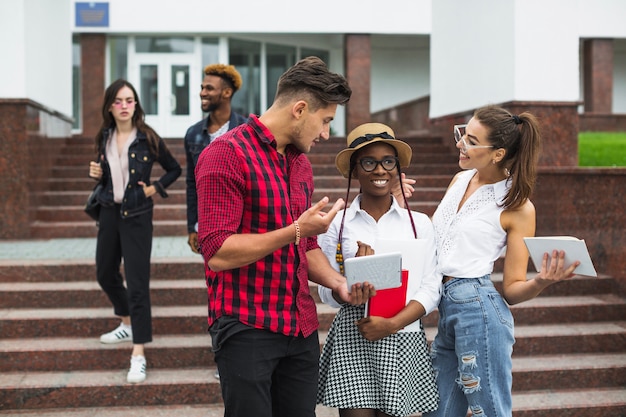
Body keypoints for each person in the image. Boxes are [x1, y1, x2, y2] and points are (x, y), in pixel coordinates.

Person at [195, 56, 358, 417]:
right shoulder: (225, 154)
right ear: (300, 109)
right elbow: (218, 251)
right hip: (246, 324)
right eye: (326, 120)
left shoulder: (300, 163)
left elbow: (307, 246)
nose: (326, 134)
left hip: (299, 327)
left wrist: (338, 282)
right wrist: (298, 229)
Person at [424, 105, 580, 417]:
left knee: (490, 411)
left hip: (478, 312)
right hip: (444, 307)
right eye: (461, 134)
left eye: (470, 140)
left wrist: (542, 281)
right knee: (436, 411)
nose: (460, 144)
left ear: (497, 154)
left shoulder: (517, 205)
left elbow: (511, 288)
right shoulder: (459, 180)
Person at [316, 123, 441, 417]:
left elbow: (432, 286)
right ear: (353, 170)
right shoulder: (338, 223)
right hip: (355, 331)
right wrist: (350, 288)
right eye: (369, 162)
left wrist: (393, 323)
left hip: (403, 330)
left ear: (397, 168)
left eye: (388, 162)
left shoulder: (419, 223)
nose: (380, 170)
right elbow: (325, 288)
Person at [87, 79, 181, 384]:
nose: (125, 106)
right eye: (118, 101)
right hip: (110, 212)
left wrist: (154, 188)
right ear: (110, 106)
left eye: (130, 100)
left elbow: (174, 168)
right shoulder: (104, 135)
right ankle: (126, 322)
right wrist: (97, 173)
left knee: (138, 285)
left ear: (136, 104)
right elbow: (106, 176)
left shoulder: (147, 138)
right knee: (105, 273)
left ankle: (138, 353)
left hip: (138, 215)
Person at [184, 63, 248, 254]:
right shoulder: (193, 134)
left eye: (209, 88)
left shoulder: (246, 130)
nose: (203, 93)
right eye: (202, 88)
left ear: (227, 93)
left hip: (242, 222)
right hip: (207, 221)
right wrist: (191, 226)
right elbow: (191, 183)